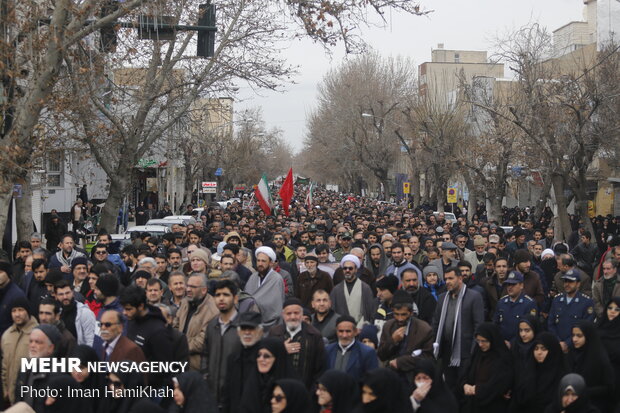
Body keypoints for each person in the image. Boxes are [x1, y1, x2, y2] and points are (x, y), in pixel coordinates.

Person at [431, 267, 484, 394]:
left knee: (463, 388)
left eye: (451, 278)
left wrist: (472, 351)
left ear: (460, 279)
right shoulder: (442, 298)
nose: (447, 282)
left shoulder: (474, 297)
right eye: (445, 279)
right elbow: (436, 323)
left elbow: (478, 326)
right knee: (449, 387)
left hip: (465, 351)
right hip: (446, 350)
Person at [377, 291, 433, 384]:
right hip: (392, 377)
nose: (400, 318)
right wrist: (393, 341)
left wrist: (400, 362)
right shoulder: (388, 326)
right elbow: (381, 355)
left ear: (411, 313)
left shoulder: (424, 329)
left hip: (414, 377)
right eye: (396, 314)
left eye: (403, 314)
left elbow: (427, 357)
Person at [268, 297, 325, 389]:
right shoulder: (274, 333)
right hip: (278, 390)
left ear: (302, 315)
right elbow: (267, 361)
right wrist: (281, 350)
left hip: (306, 391)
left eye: (296, 313)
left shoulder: (314, 335)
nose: (293, 317)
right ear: (283, 315)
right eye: (289, 313)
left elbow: (320, 368)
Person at [460, 323, 513, 413]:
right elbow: (465, 373)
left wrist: (477, 390)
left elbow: (499, 385)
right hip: (473, 404)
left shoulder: (502, 359)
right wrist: (464, 385)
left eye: (484, 341)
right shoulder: (477, 354)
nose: (480, 344)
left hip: (493, 406)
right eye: (478, 341)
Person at [204, 279, 241, 405]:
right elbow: (206, 354)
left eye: (226, 295)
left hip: (235, 396)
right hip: (212, 394)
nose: (221, 299)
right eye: (218, 295)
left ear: (235, 298)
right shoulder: (212, 325)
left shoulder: (244, 327)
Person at [510, 332, 566, 413]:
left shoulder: (561, 377)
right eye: (536, 349)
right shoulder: (528, 372)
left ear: (553, 350)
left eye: (543, 349)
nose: (539, 353)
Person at [565, 320, 614, 412]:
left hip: (593, 406)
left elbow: (608, 388)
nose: (574, 339)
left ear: (588, 336)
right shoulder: (571, 353)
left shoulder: (599, 358)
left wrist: (585, 392)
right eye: (573, 335)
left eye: (579, 336)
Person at [221, 311, 264, 413]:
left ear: (260, 331)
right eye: (244, 328)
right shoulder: (232, 358)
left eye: (251, 329)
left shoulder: (265, 358)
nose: (247, 332)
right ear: (238, 332)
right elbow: (227, 393)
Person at [173, 273, 218, 370]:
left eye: (193, 287)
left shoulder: (213, 310)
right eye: (188, 286)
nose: (188, 289)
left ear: (204, 290)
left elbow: (203, 341)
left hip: (198, 366)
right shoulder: (185, 302)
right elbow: (175, 326)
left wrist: (180, 346)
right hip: (179, 361)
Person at [239, 337, 297, 413]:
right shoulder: (252, 383)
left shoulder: (292, 387)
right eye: (258, 355)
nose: (261, 359)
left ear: (277, 359)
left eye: (267, 356)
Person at [1, 297, 38, 404]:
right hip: (10, 398)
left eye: (20, 310)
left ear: (28, 311)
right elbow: (4, 367)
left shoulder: (37, 334)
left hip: (30, 398)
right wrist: (5, 391)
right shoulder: (7, 335)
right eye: (14, 311)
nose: (17, 314)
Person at [548, 269, 595, 350]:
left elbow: (586, 327)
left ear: (578, 284)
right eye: (565, 281)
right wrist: (558, 342)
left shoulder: (586, 302)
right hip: (558, 346)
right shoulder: (557, 300)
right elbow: (551, 324)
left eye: (571, 282)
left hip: (576, 348)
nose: (567, 284)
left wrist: (567, 343)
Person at [330, 254, 377, 328]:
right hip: (341, 330)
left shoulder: (365, 288)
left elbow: (369, 312)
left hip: (360, 329)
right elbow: (332, 312)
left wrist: (361, 327)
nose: (347, 270)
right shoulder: (336, 290)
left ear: (356, 269)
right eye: (345, 268)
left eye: (350, 268)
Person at [245, 247, 286, 327]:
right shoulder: (253, 277)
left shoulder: (276, 279)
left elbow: (274, 306)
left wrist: (256, 304)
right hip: (251, 323)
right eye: (258, 260)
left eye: (263, 261)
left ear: (271, 263)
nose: (260, 264)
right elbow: (247, 297)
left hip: (271, 326)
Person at [493, 271, 538, 342]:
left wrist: (512, 343)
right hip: (502, 344)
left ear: (521, 285)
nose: (510, 287)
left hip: (520, 345)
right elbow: (496, 324)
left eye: (513, 284)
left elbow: (531, 328)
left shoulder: (529, 303)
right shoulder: (501, 302)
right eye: (508, 284)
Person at [596, 297, 620, 402]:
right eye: (610, 308)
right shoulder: (598, 328)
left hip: (616, 378)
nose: (612, 311)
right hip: (597, 377)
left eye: (617, 309)